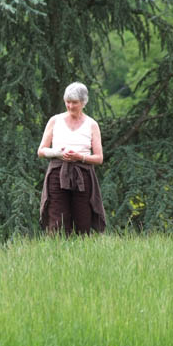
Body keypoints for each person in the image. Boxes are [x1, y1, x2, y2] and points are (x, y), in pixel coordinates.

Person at [38, 82, 106, 235]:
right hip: (57, 172)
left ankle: (83, 247)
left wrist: (79, 157)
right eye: (67, 102)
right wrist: (57, 153)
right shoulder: (55, 121)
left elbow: (99, 158)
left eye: (74, 102)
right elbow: (41, 151)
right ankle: (57, 247)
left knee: (83, 219)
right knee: (57, 220)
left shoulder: (92, 124)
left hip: (83, 174)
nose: (70, 106)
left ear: (83, 102)